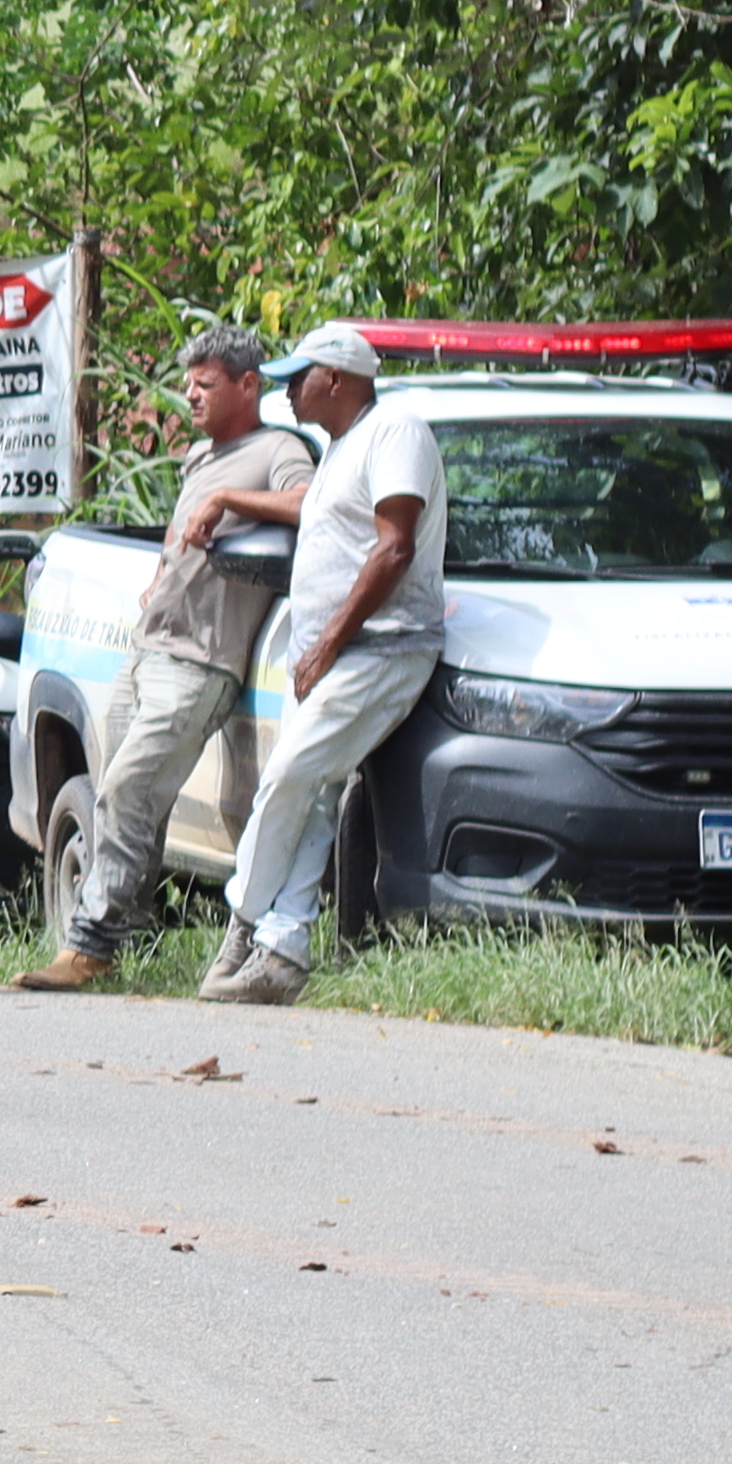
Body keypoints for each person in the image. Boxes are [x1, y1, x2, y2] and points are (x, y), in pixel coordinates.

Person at [14, 320, 315, 992]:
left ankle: (87, 947)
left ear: (248, 384)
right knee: (122, 799)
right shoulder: (200, 459)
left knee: (127, 788)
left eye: (205, 385)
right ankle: (126, 940)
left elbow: (308, 504)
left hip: (202, 664)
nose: (190, 397)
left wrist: (230, 499)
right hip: (147, 650)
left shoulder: (277, 449)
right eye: (188, 384)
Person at [198, 321, 439, 1006]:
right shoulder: (340, 448)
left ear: (335, 377)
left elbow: (395, 549)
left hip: (381, 647)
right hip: (329, 651)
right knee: (312, 796)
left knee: (287, 778)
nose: (287, 393)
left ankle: (242, 924)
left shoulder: (396, 432)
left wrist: (331, 640)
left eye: (295, 378)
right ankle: (284, 951)